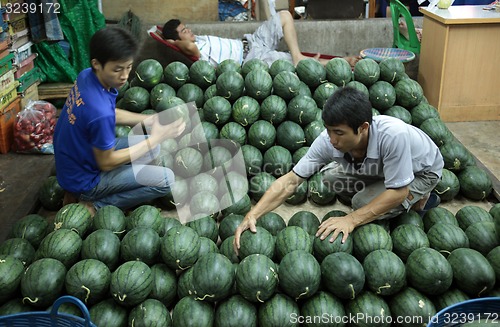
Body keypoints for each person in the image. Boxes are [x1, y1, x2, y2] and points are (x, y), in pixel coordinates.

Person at [234, 87, 443, 250]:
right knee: (331, 177)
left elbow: (399, 192)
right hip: (380, 168)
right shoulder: (328, 140)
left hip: (421, 172)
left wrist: (351, 220)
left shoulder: (392, 136)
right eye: (329, 130)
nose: (332, 139)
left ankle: (420, 200)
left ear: (363, 128)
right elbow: (291, 180)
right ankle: (381, 194)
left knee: (360, 203)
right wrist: (253, 214)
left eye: (339, 133)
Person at [53, 27, 186, 215]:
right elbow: (106, 163)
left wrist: (148, 119)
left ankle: (78, 191)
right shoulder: (99, 112)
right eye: (117, 69)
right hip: (85, 179)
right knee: (166, 179)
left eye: (129, 67)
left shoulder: (86, 76)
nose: (124, 75)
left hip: (71, 164)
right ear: (97, 64)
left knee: (152, 150)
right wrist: (155, 138)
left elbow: (110, 112)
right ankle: (94, 205)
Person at [161, 10, 360, 67]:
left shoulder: (199, 39)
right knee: (289, 63)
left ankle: (298, 55)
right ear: (176, 40)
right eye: (184, 31)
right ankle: (343, 62)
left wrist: (179, 35)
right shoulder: (196, 51)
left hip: (251, 41)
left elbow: (187, 40)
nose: (189, 31)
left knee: (284, 16)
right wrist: (172, 42)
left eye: (186, 28)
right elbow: (187, 46)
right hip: (251, 61)